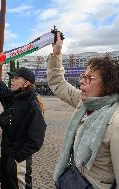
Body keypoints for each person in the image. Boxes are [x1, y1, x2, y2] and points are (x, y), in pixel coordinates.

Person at [49, 33, 119, 189]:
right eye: (83, 75)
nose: (81, 81)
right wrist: (56, 54)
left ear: (108, 85)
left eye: (89, 78)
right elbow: (58, 83)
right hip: (74, 180)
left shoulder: (115, 122)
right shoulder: (84, 103)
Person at [0, 67, 47, 189]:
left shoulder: (32, 105)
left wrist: (18, 157)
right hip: (7, 155)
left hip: (19, 159)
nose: (12, 81)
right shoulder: (13, 97)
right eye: (12, 78)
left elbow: (36, 139)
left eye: (16, 78)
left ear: (26, 83)